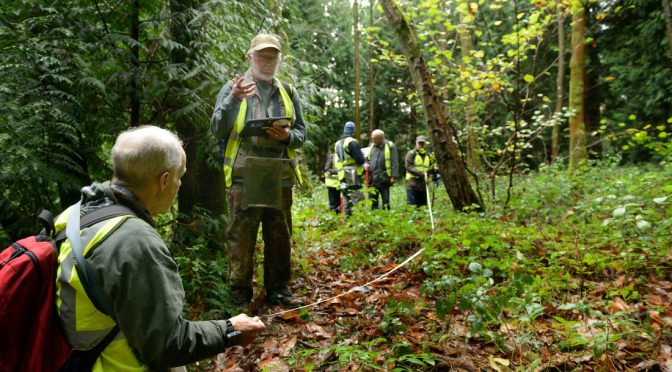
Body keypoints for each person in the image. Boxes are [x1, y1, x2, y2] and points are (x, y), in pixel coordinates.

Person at [55, 126, 266, 370]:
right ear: (164, 180)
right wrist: (230, 329)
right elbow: (167, 345)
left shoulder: (75, 215)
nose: (179, 185)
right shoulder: (134, 242)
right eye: (179, 177)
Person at [210, 33, 306, 306]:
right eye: (262, 55)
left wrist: (287, 137)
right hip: (243, 173)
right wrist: (233, 99)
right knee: (241, 235)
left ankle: (279, 290)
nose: (268, 61)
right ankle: (240, 294)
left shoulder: (288, 91)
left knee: (280, 234)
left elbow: (302, 132)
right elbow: (217, 129)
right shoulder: (233, 87)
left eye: (273, 56)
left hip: (279, 174)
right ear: (250, 56)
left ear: (279, 59)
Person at [333, 121, 366, 216]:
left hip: (342, 174)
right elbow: (360, 159)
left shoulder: (338, 143)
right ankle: (360, 219)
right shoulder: (352, 142)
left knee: (346, 197)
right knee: (357, 196)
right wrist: (364, 163)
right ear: (353, 131)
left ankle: (347, 220)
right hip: (352, 173)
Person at [365, 129, 399, 210]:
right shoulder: (371, 146)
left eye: (375, 138)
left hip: (384, 178)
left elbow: (394, 161)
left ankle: (386, 216)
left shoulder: (390, 145)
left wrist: (393, 176)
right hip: (372, 179)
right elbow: (366, 158)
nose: (373, 140)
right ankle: (374, 216)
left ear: (381, 138)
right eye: (372, 138)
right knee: (373, 201)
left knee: (386, 202)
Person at [405, 135, 436, 207]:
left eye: (422, 143)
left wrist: (434, 170)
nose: (421, 145)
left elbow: (431, 168)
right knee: (412, 206)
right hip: (412, 184)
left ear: (425, 144)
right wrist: (422, 173)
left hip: (423, 185)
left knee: (422, 207)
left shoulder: (428, 156)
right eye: (419, 143)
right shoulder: (411, 154)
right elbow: (408, 167)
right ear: (416, 143)